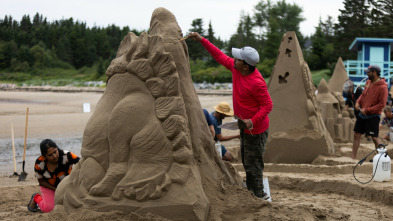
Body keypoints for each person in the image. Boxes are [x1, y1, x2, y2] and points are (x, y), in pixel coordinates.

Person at [189, 32, 273, 200]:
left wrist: (251, 121)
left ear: (246, 65)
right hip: (243, 126)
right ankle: (253, 189)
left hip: (256, 130)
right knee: (247, 160)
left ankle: (258, 195)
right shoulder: (236, 69)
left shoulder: (257, 82)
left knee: (253, 163)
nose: (234, 60)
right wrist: (201, 40)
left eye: (239, 59)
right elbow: (219, 55)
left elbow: (268, 105)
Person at [27, 139, 80, 213]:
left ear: (57, 148)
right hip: (49, 186)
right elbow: (41, 181)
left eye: (55, 152)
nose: (54, 156)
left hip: (67, 185)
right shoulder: (39, 163)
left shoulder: (67, 155)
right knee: (49, 209)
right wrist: (56, 189)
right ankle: (36, 197)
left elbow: (81, 163)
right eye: (50, 155)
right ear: (44, 156)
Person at [351, 65, 388, 159]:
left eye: (368, 72)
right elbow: (363, 95)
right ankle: (352, 158)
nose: (366, 73)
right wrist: (358, 102)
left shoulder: (383, 87)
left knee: (374, 138)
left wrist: (367, 110)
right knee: (356, 134)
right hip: (362, 115)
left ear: (374, 72)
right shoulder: (368, 82)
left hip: (373, 116)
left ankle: (381, 158)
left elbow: (382, 105)